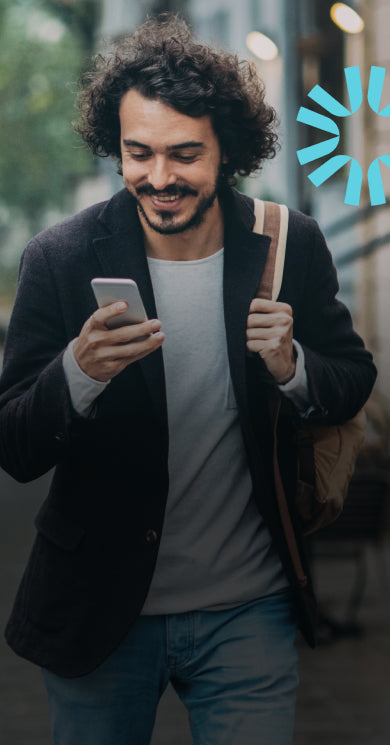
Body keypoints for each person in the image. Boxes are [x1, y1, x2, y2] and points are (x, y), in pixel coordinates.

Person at [0, 14, 376, 745]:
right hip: (97, 609)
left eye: (184, 155)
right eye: (138, 153)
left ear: (227, 151)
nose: (160, 178)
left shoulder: (289, 242)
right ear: (115, 147)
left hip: (249, 609)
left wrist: (293, 367)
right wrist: (74, 376)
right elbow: (14, 447)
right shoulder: (61, 259)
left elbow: (352, 378)